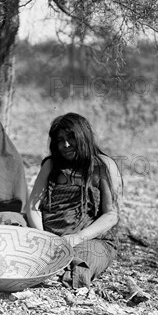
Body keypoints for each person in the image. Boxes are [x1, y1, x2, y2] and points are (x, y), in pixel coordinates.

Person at [25, 112, 123, 289]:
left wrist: (77, 237)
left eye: (71, 138)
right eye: (60, 140)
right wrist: (44, 237)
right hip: (46, 234)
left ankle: (52, 273)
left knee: (85, 258)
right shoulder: (51, 165)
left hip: (88, 239)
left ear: (84, 137)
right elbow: (33, 207)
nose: (66, 145)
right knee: (4, 220)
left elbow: (111, 215)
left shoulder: (103, 165)